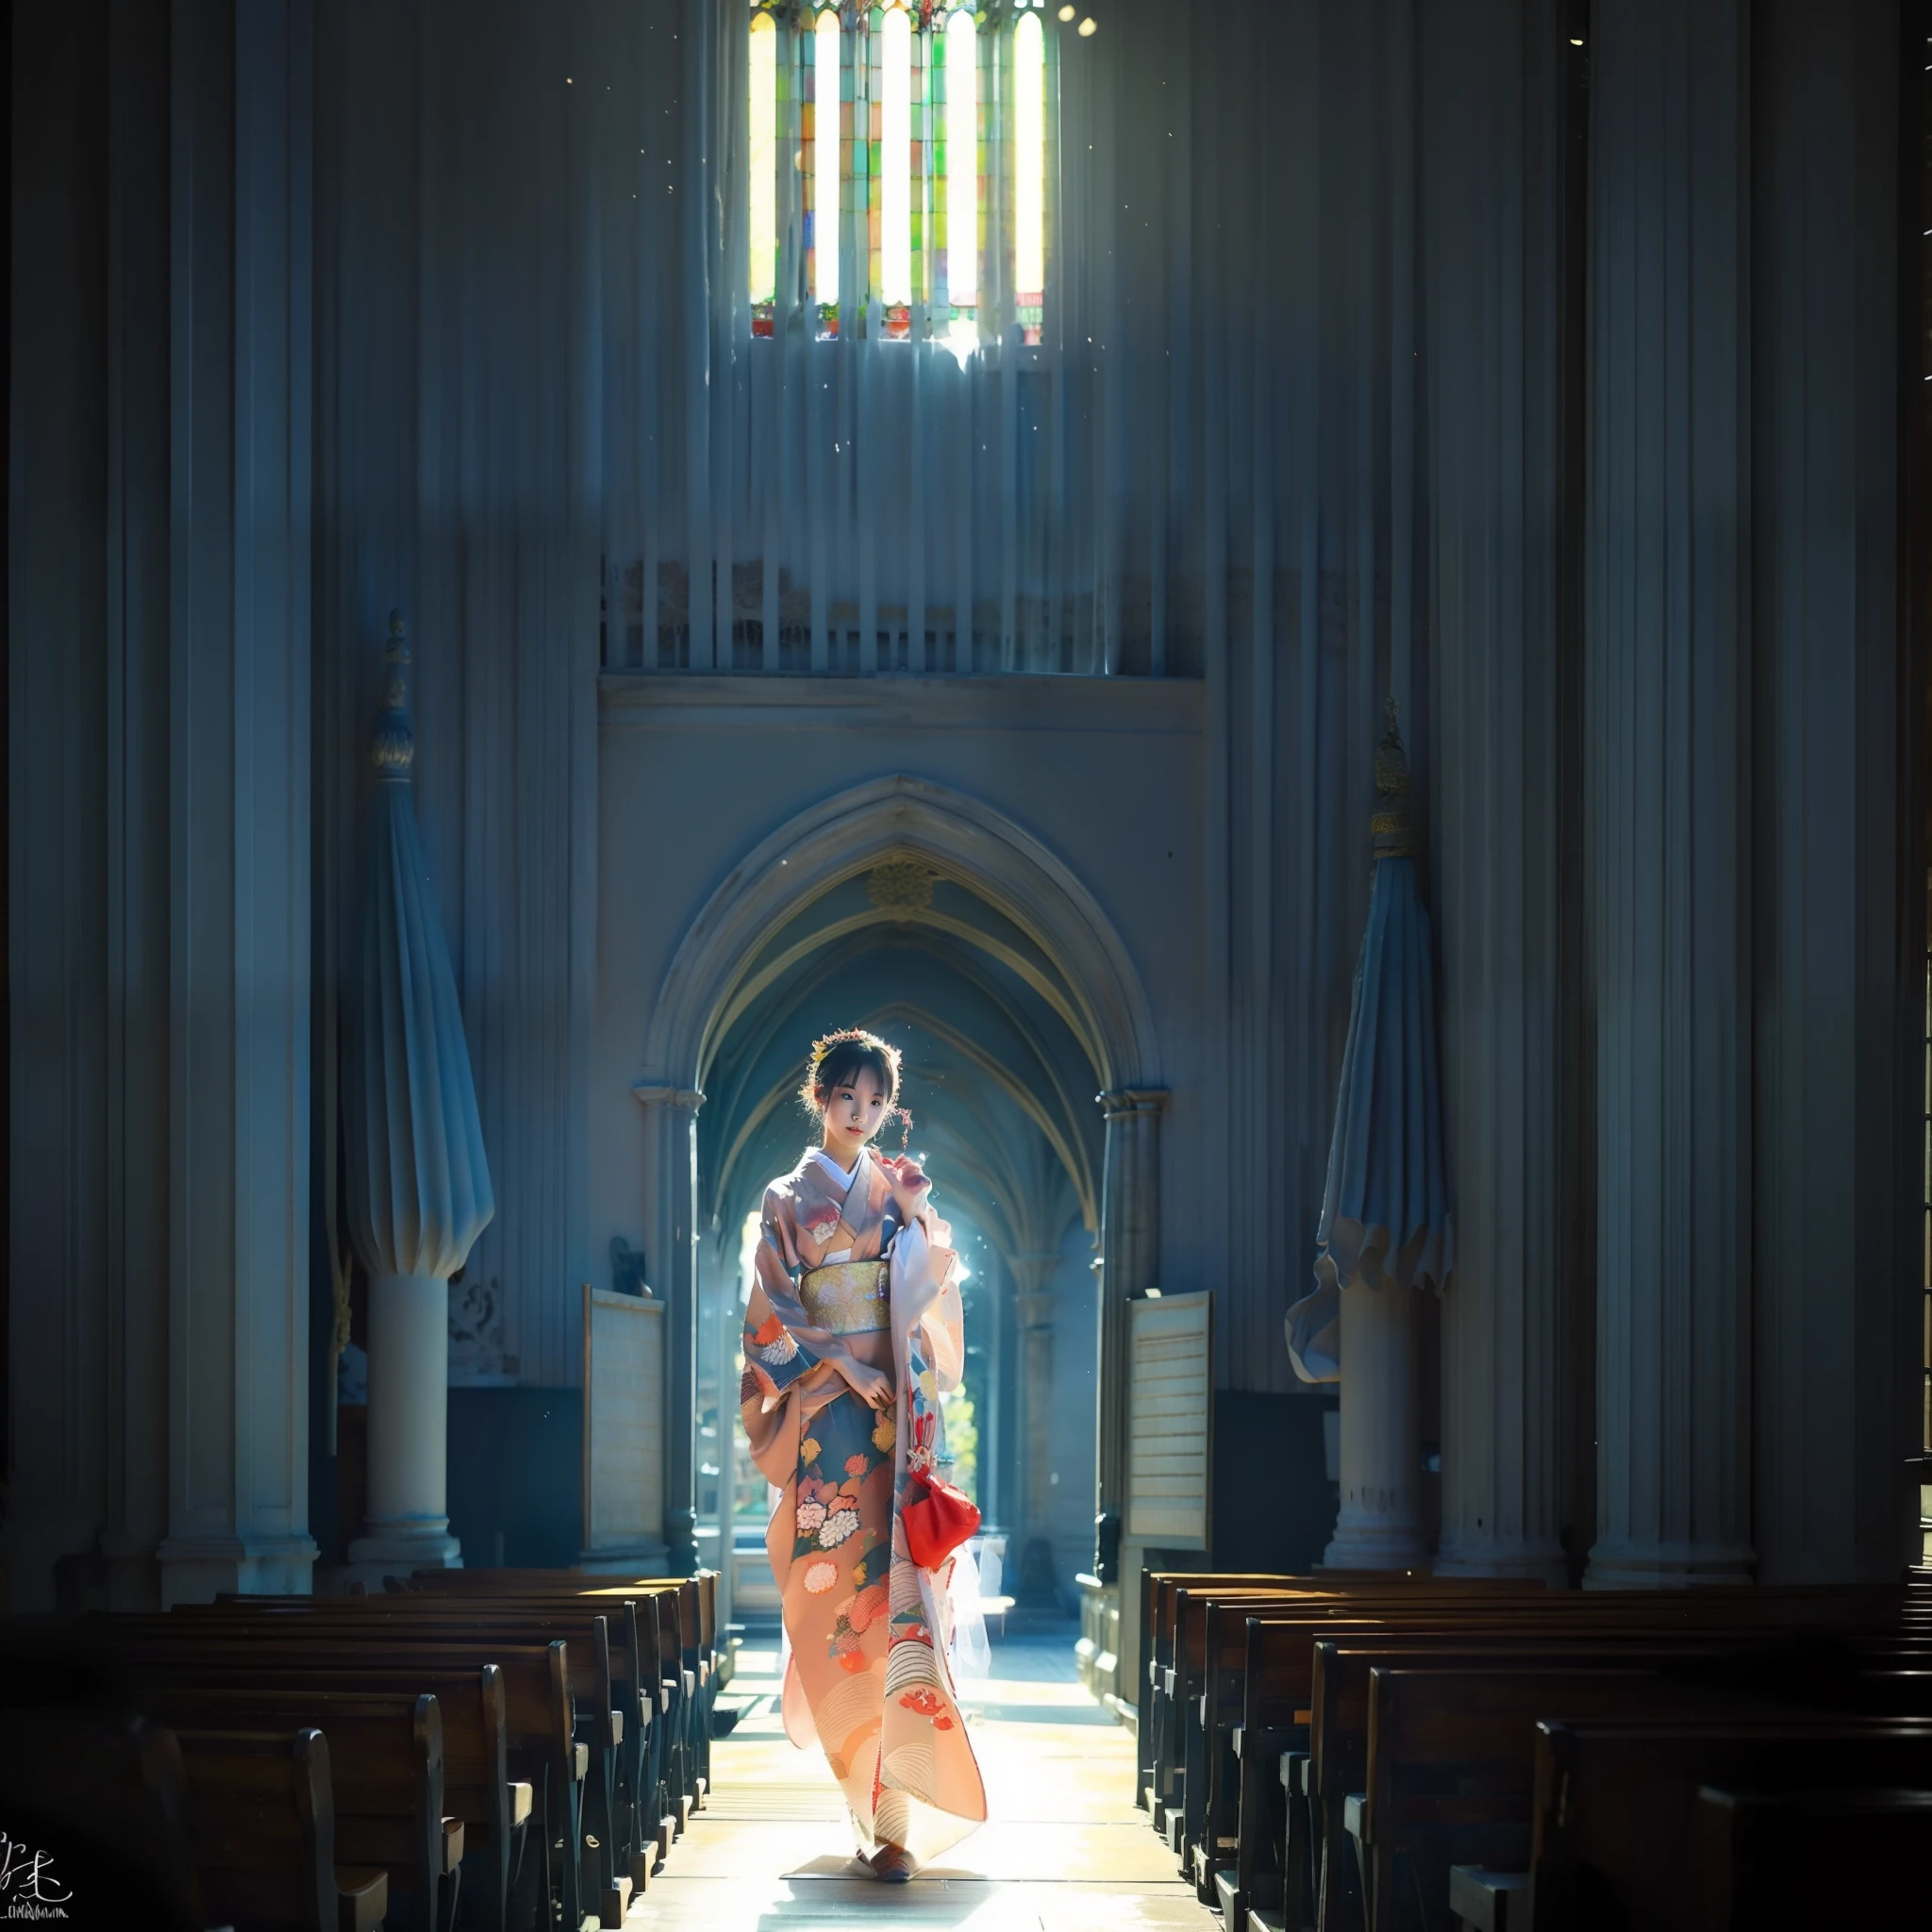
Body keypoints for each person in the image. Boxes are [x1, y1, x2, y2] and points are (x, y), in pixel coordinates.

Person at [739, 1028, 988, 1881]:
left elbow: (931, 1295)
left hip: (895, 1420)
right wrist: (838, 1360)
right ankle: (865, 1805)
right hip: (827, 1424)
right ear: (820, 1098)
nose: (863, 1112)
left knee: (904, 1601)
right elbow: (768, 1310)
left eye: (877, 1100)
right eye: (848, 1096)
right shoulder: (784, 1198)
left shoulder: (894, 1191)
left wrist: (918, 1222)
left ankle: (894, 1818)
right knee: (836, 1608)